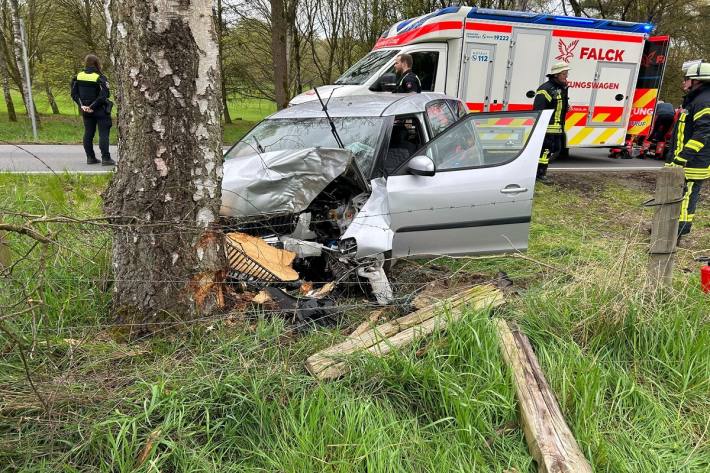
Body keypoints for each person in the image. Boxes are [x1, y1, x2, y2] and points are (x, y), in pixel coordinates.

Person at [665, 60, 710, 239]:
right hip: (685, 162)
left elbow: (703, 134)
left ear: (697, 81)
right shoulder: (697, 100)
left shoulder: (704, 102)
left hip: (692, 164)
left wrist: (682, 158)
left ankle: (676, 233)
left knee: (685, 200)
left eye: (687, 79)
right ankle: (669, 230)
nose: (683, 82)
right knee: (678, 196)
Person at [71, 54, 115, 166]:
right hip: (100, 110)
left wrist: (82, 106)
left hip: (85, 110)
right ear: (97, 64)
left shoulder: (78, 76)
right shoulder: (100, 77)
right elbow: (104, 95)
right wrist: (93, 106)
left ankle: (90, 157)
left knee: (88, 133)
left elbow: (74, 94)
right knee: (103, 134)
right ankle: (106, 158)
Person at [533, 62, 570, 183]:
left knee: (556, 149)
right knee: (545, 151)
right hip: (548, 128)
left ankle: (541, 172)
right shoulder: (545, 89)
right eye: (564, 73)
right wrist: (541, 127)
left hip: (558, 127)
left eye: (566, 73)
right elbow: (539, 109)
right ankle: (540, 174)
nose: (566, 75)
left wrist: (566, 106)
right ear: (556, 75)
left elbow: (557, 104)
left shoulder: (560, 88)